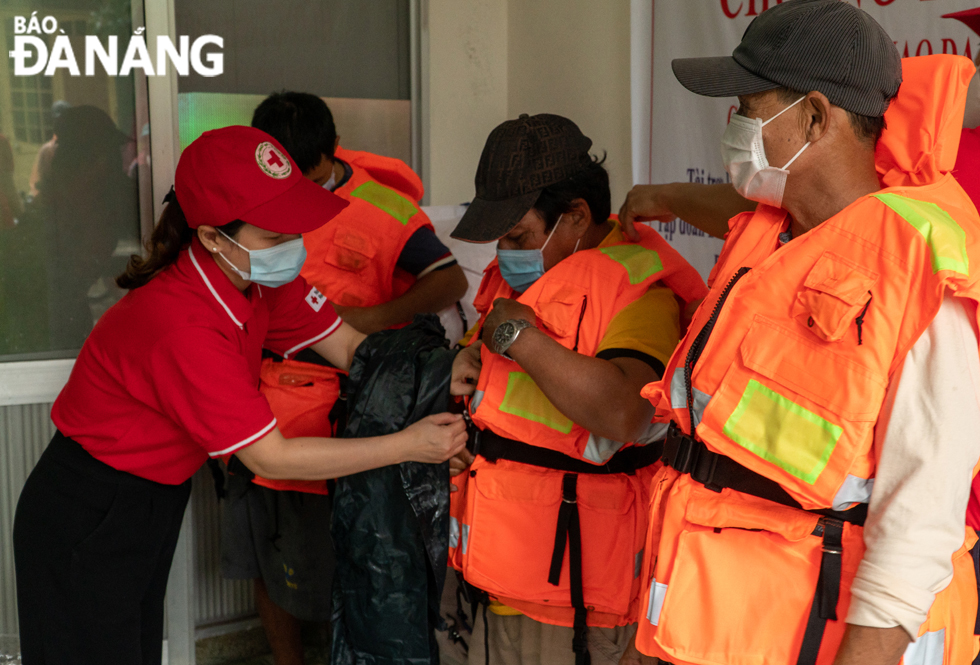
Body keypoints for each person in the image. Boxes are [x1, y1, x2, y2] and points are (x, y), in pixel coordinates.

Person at [12, 125, 469, 665]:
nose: (293, 248)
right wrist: (408, 444)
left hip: (154, 494)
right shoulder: (181, 323)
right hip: (89, 507)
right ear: (211, 236)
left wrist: (443, 373)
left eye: (295, 231)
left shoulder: (261, 280)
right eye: (275, 237)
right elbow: (270, 455)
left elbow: (352, 349)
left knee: (132, 647)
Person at [617, 2, 980, 664]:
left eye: (749, 106)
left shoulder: (917, 271)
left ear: (815, 116)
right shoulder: (769, 233)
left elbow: (915, 536)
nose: (734, 125)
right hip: (699, 634)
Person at [213, 92, 468, 665]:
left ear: (329, 158)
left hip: (350, 417)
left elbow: (449, 283)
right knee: (265, 560)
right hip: (257, 409)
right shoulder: (249, 206)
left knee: (347, 565)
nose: (291, 195)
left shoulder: (386, 209)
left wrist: (367, 325)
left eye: (304, 178)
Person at [448, 113, 707, 665]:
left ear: (575, 218)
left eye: (516, 236)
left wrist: (517, 337)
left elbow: (626, 413)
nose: (503, 253)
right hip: (501, 572)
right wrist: (467, 365)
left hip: (577, 603)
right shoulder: (524, 277)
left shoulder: (640, 288)